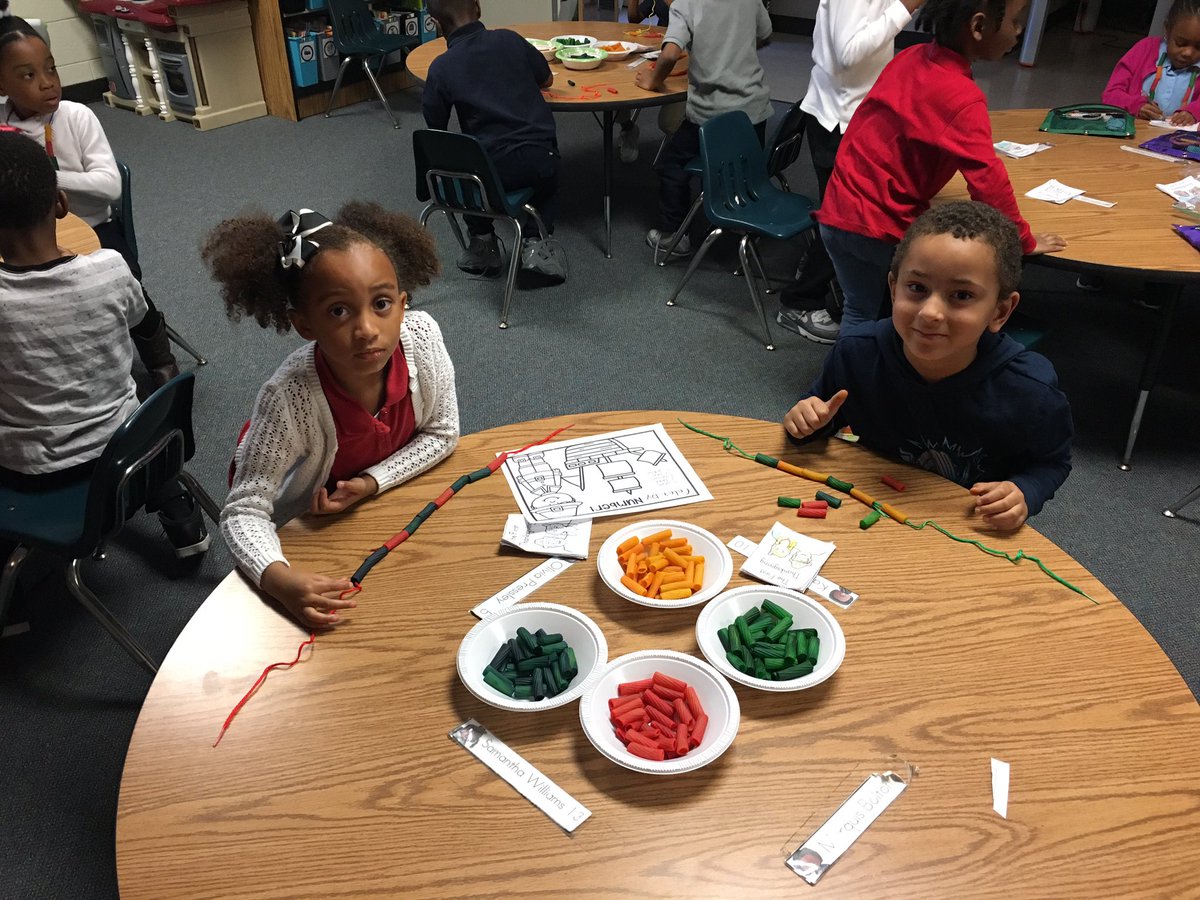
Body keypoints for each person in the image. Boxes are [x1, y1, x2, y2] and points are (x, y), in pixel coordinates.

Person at [203, 202, 460, 628]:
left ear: (403, 303)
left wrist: (371, 482)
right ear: (305, 325)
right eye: (339, 311)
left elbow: (443, 433)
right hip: (307, 530)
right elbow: (243, 511)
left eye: (381, 303)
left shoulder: (422, 338)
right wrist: (279, 580)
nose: (367, 330)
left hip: (378, 504)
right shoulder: (288, 399)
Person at [783, 201, 1072, 531]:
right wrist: (805, 420)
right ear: (894, 289)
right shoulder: (856, 353)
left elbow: (1051, 463)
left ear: (1000, 311)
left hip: (965, 523)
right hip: (873, 507)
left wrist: (1025, 491)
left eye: (961, 295)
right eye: (917, 288)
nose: (930, 312)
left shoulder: (1030, 389)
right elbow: (818, 416)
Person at [0, 131, 209, 557]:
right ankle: (170, 497)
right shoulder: (110, 270)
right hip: (133, 451)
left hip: (38, 477)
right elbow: (147, 324)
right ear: (61, 204)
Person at [815, 0, 1066, 334]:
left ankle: (850, 366)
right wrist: (1023, 240)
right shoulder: (961, 96)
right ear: (978, 27)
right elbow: (989, 182)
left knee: (859, 310)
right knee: (904, 318)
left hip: (837, 211)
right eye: (1015, 21)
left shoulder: (910, 57)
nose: (1018, 31)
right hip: (877, 229)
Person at [0, 17, 180, 386]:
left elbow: (110, 186)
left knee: (125, 285)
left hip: (96, 228)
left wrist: (45, 177)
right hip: (28, 234)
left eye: (51, 68)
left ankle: (161, 358)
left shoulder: (76, 116)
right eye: (28, 75)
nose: (47, 82)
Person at [777, 0, 926, 345]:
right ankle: (800, 302)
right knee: (845, 222)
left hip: (854, 116)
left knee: (844, 220)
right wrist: (905, 7)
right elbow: (848, 54)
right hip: (839, 122)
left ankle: (828, 282)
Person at [421, 0, 559, 281]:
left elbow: (435, 131)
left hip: (485, 176)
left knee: (460, 160)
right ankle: (535, 243)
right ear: (478, 7)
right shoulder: (510, 40)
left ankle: (483, 241)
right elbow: (546, 80)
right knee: (547, 168)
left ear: (435, 23)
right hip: (537, 160)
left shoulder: (441, 68)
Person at [635, 0, 772, 258]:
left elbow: (670, 54)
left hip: (712, 115)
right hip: (753, 111)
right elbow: (765, 35)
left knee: (670, 166)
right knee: (745, 167)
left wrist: (652, 80)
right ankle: (746, 223)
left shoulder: (686, 3)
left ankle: (675, 235)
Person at [1103, 0, 1200, 125]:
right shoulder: (1145, 50)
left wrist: (1193, 112)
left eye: (1199, 47)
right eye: (1181, 43)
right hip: (1134, 129)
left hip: (1179, 135)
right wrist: (1136, 106)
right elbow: (1110, 94)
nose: (1188, 53)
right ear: (1167, 30)